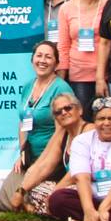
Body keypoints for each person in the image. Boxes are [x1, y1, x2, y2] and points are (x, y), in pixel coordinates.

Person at [0, 93, 92, 215]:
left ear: (80, 110)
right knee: (35, 188)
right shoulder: (63, 134)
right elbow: (45, 166)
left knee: (59, 197)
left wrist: (54, 193)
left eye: (68, 108)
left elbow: (77, 172)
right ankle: (52, 210)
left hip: (88, 184)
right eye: (58, 112)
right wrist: (21, 191)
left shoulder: (89, 131)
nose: (63, 113)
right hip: (70, 186)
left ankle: (51, 210)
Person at [57, 0, 105, 118]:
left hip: (105, 74)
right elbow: (63, 45)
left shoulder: (109, 5)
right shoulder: (66, 8)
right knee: (83, 120)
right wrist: (61, 80)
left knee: (107, 119)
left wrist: (102, 76)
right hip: (78, 76)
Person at [17, 41, 74, 170]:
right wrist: (23, 154)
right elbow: (22, 122)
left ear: (56, 64)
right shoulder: (28, 86)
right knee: (8, 187)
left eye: (48, 57)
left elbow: (64, 131)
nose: (42, 60)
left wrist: (40, 164)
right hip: (30, 156)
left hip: (53, 159)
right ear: (32, 60)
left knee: (24, 188)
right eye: (39, 55)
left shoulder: (61, 89)